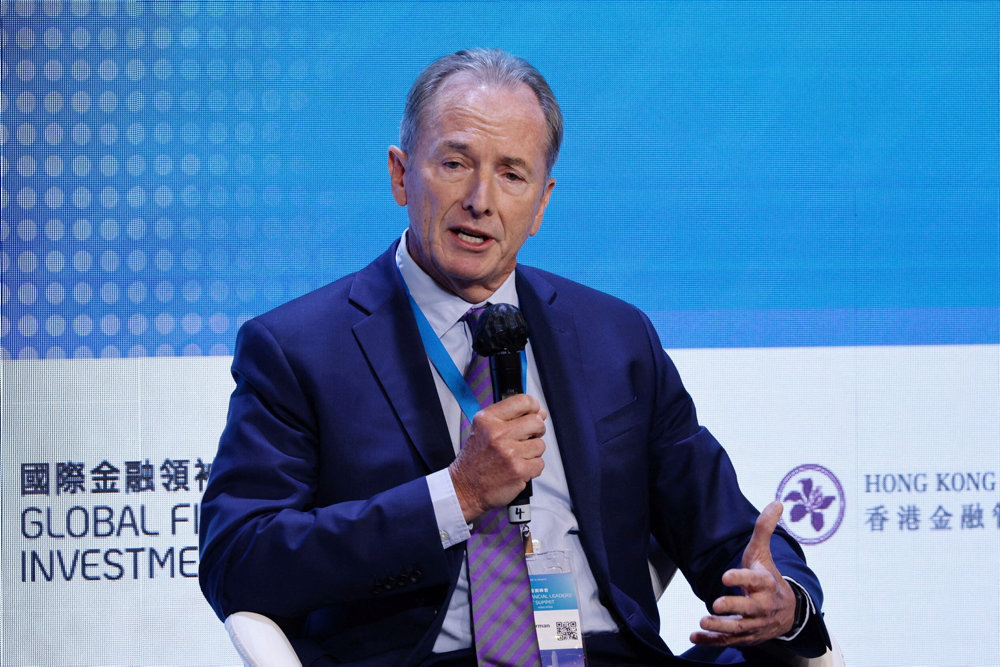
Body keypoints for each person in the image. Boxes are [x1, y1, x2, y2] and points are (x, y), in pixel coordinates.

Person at [199, 48, 830, 666]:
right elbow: (239, 560)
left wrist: (786, 601)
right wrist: (457, 495)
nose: (480, 199)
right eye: (454, 163)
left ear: (542, 203)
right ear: (400, 174)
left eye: (511, 174)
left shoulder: (615, 336)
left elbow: (725, 526)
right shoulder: (299, 347)